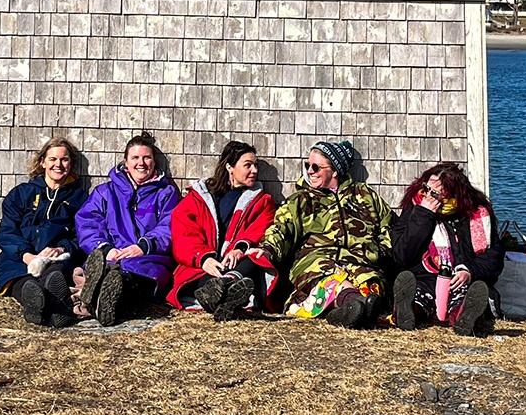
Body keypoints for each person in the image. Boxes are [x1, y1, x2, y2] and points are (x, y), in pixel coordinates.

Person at [257, 139, 393, 329]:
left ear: (335, 171)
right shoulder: (302, 200)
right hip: (318, 262)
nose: (310, 171)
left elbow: (387, 227)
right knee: (334, 283)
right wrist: (267, 249)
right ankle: (352, 305)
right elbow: (282, 228)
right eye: (307, 165)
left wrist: (380, 252)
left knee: (370, 284)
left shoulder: (365, 195)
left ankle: (351, 310)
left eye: (316, 167)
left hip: (361, 261)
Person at [75, 131, 180, 326]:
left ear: (154, 162)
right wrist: (105, 248)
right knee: (107, 268)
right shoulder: (105, 192)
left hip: (149, 258)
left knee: (135, 277)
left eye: (147, 157)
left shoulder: (166, 193)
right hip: (112, 256)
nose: (141, 163)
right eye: (135, 158)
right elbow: (87, 222)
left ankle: (105, 298)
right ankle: (100, 294)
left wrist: (143, 246)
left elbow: (169, 225)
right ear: (126, 163)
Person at [167, 140, 278, 321]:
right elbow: (184, 232)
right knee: (205, 280)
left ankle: (228, 284)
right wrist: (204, 258)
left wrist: (240, 248)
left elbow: (262, 228)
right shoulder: (200, 197)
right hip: (205, 265)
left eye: (256, 165)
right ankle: (227, 296)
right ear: (230, 167)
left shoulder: (262, 201)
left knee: (256, 256)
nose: (255, 170)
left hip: (238, 265)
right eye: (248, 165)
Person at [390, 162, 504, 337]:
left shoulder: (476, 214)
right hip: (426, 277)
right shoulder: (415, 207)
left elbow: (494, 258)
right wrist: (423, 215)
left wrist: (469, 271)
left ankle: (464, 319)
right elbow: (401, 255)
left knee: (464, 298)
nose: (427, 195)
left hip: (461, 280)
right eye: (426, 187)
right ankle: (407, 312)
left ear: (453, 194)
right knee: (419, 297)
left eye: (435, 193)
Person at [0, 137, 88, 328]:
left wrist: (62, 249)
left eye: (64, 159)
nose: (58, 165)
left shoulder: (79, 198)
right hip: (21, 256)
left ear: (71, 164)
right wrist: (27, 255)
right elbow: (7, 232)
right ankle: (38, 303)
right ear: (42, 162)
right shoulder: (21, 193)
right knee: (23, 281)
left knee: (56, 274)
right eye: (53, 159)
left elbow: (82, 235)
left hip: (57, 258)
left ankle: (46, 307)